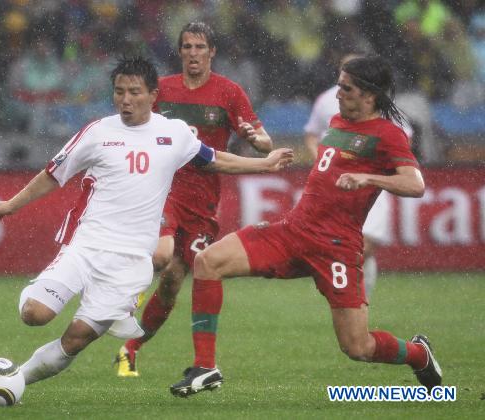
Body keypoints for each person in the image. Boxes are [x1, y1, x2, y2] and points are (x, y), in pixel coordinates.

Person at [0, 56, 293, 388]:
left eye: (134, 92)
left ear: (153, 95)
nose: (126, 100)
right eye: (119, 92)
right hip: (87, 246)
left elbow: (215, 160)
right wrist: (12, 204)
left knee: (76, 340)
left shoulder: (174, 133)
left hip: (129, 263)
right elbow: (52, 175)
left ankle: (16, 379)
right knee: (34, 316)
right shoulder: (98, 132)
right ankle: (36, 292)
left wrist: (264, 163)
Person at [170, 55, 442, 397]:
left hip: (336, 248)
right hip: (293, 232)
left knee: (357, 347)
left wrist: (367, 178)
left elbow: (415, 184)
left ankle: (418, 354)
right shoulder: (337, 121)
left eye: (346, 87)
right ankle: (205, 367)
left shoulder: (388, 135)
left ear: (369, 95)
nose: (338, 92)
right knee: (207, 261)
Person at [115, 22, 273, 378]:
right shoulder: (163, 90)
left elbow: (265, 141)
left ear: (212, 52)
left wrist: (254, 138)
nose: (193, 54)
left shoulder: (229, 93)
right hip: (162, 188)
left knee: (173, 280)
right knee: (161, 255)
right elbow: (132, 121)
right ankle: (119, 304)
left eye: (200, 47)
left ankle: (132, 346)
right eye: (187, 47)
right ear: (180, 51)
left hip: (202, 200)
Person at [304, 53, 414, 299]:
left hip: (368, 185)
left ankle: (357, 297)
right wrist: (323, 161)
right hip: (334, 185)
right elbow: (312, 134)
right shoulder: (327, 102)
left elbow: (405, 138)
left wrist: (374, 167)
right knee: (339, 246)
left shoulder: (382, 109)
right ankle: (349, 296)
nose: (341, 91)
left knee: (365, 246)